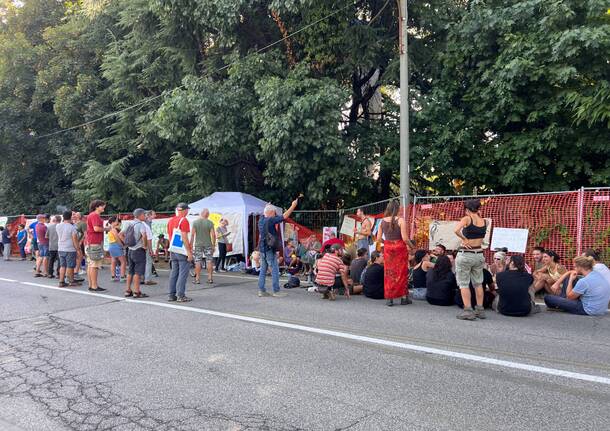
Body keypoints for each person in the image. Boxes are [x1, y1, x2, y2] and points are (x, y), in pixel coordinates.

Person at [453, 199, 489, 320]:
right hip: (479, 254)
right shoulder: (484, 221)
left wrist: (464, 239)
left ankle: (468, 310)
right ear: (478, 208)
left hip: (466, 255)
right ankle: (480, 309)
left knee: (463, 283)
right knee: (478, 283)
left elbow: (456, 230)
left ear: (467, 209)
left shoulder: (467, 219)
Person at [258, 198, 299, 297]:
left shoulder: (261, 219)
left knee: (263, 270)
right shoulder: (270, 220)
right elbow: (284, 216)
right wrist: (293, 205)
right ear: (271, 212)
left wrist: (267, 206)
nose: (275, 214)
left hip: (262, 248)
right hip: (269, 249)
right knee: (275, 269)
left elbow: (266, 212)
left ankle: (261, 291)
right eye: (274, 212)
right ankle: (276, 291)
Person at [544, 256, 610, 316]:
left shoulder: (584, 281)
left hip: (588, 310)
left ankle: (561, 305)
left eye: (575, 267)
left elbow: (570, 297)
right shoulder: (598, 274)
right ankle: (562, 302)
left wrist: (570, 280)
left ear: (580, 267)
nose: (574, 268)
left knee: (548, 298)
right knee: (571, 278)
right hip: (601, 310)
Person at [376, 200, 412, 306]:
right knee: (402, 273)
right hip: (400, 249)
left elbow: (378, 239)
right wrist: (412, 246)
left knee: (389, 273)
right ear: (397, 209)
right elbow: (405, 238)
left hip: (388, 249)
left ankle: (390, 298)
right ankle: (404, 298)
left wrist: (386, 242)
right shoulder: (401, 220)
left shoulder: (382, 221)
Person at [167, 203, 193, 302]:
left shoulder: (171, 220)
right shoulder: (184, 220)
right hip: (181, 251)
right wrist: (189, 252)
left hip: (173, 249)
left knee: (174, 273)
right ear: (185, 210)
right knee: (183, 273)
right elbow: (184, 237)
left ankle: (171, 295)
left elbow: (170, 235)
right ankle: (180, 295)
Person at [124, 208, 149, 298]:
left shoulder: (129, 223)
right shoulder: (141, 224)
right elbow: (144, 236)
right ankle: (137, 291)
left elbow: (121, 234)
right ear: (140, 215)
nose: (145, 216)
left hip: (130, 250)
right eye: (144, 214)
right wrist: (145, 246)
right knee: (138, 272)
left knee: (130, 271)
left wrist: (126, 243)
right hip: (138, 250)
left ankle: (127, 290)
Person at [85, 200, 108, 292]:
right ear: (97, 207)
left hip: (91, 242)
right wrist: (107, 228)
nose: (104, 207)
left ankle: (91, 285)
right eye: (102, 206)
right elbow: (96, 228)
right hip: (95, 242)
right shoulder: (95, 215)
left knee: (91, 264)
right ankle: (94, 286)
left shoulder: (91, 215)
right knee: (95, 265)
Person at [56, 210, 81, 287]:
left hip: (60, 248)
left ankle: (61, 281)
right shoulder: (72, 227)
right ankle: (71, 281)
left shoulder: (58, 226)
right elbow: (75, 240)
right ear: (70, 217)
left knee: (62, 266)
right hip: (70, 249)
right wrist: (78, 250)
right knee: (70, 266)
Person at [191, 209, 216, 285]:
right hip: (208, 244)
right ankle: (210, 278)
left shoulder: (195, 222)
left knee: (198, 261)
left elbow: (192, 235)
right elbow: (213, 235)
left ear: (201, 214)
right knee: (209, 261)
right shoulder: (210, 223)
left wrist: (191, 245)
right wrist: (213, 245)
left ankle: (197, 279)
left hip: (198, 245)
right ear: (208, 215)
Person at [107, 216, 126, 282]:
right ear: (113, 222)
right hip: (116, 245)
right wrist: (122, 245)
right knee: (123, 261)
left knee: (113, 261)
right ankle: (122, 276)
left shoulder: (109, 229)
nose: (118, 222)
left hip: (111, 245)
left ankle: (113, 276)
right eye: (117, 221)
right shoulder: (114, 229)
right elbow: (117, 238)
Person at [143, 210, 157, 286]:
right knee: (148, 261)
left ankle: (142, 278)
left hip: (142, 245)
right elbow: (148, 237)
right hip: (146, 245)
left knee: (143, 262)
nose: (155, 216)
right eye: (154, 214)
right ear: (149, 215)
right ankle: (147, 279)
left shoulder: (144, 223)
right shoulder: (147, 224)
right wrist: (150, 248)